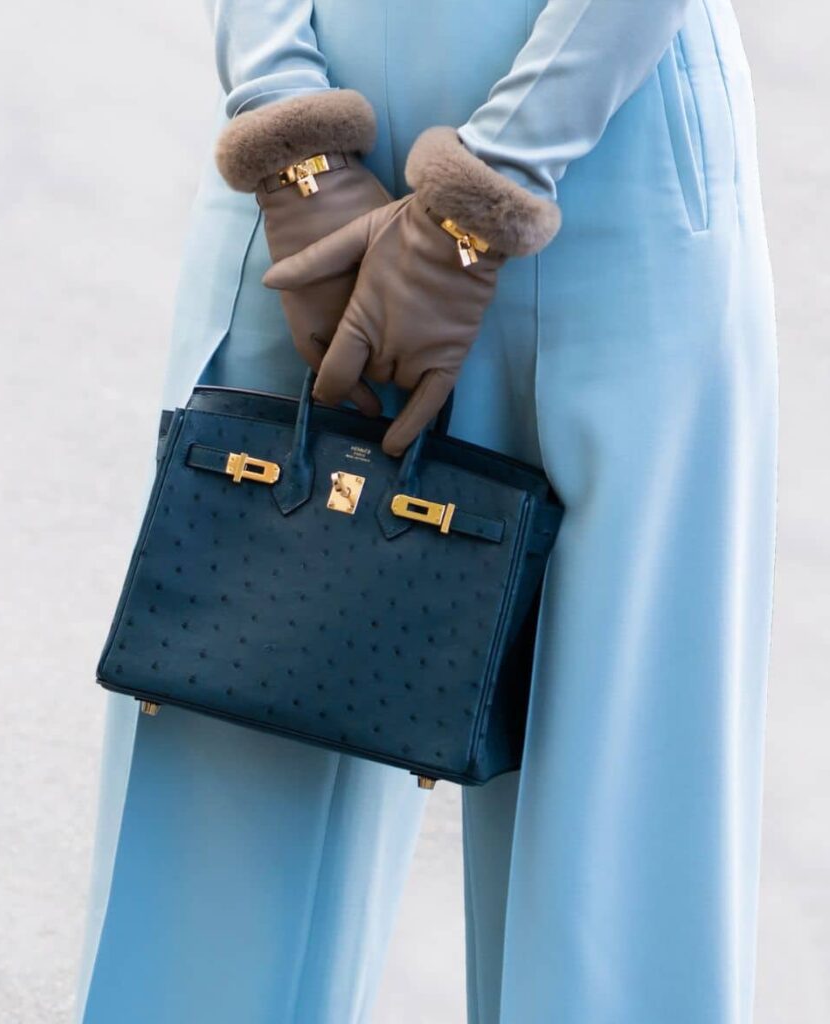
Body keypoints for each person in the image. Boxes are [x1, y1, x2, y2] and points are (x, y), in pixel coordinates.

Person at [75, 0, 778, 1021]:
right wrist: (291, 134)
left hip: (613, 145)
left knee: (618, 847)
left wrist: (488, 189)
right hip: (309, 151)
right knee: (216, 773)